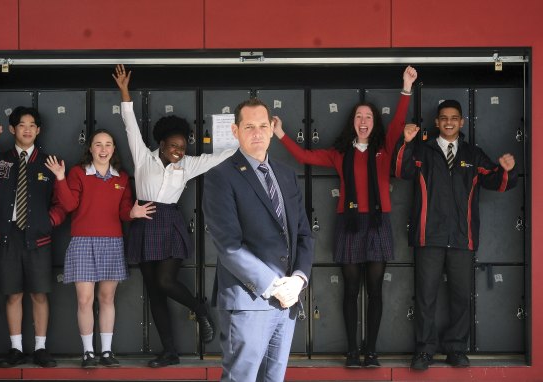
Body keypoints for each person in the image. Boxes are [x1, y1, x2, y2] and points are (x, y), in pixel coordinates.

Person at [272, 66, 418, 367]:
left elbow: (399, 123)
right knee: (351, 290)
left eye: (368, 117)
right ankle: (352, 350)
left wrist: (406, 88)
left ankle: (372, 351)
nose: (363, 121)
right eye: (358, 117)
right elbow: (305, 157)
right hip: (349, 225)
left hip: (378, 223)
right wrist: (281, 134)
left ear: (374, 122)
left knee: (375, 290)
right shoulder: (340, 154)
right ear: (352, 123)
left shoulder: (385, 148)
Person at [112, 64, 235, 368]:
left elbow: (219, 157)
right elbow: (130, 125)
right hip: (144, 221)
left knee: (167, 282)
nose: (180, 150)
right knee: (154, 292)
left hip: (170, 224)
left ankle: (200, 308)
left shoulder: (188, 165)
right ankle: (170, 351)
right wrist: (125, 91)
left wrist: (251, 137)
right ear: (162, 144)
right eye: (174, 146)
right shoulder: (143, 158)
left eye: (183, 146)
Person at [393, 99, 517, 371]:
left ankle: (456, 348)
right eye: (443, 118)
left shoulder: (473, 154)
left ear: (462, 122)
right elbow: (400, 171)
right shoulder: (422, 151)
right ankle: (424, 351)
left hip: (462, 237)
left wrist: (505, 170)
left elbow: (494, 180)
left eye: (454, 118)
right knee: (425, 296)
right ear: (436, 122)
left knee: (461, 296)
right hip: (429, 235)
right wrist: (406, 142)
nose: (449, 122)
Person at [203, 98, 314, 382]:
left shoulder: (286, 176)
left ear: (271, 128)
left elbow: (303, 234)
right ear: (235, 130)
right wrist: (273, 285)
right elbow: (228, 245)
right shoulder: (220, 177)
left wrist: (298, 280)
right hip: (248, 301)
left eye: (263, 126)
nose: (257, 133)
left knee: (273, 379)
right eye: (249, 126)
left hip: (286, 300)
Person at [44, 129, 154, 368]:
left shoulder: (121, 178)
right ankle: (88, 353)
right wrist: (61, 178)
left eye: (108, 145)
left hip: (112, 243)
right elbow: (70, 204)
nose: (103, 149)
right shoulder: (77, 173)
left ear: (114, 149)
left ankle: (106, 352)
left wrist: (133, 213)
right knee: (84, 300)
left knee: (107, 298)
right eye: (98, 145)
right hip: (83, 242)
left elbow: (124, 212)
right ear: (90, 148)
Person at [0, 106, 67, 368]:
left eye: (32, 125)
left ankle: (40, 348)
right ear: (12, 129)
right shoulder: (1, 159)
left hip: (38, 237)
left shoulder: (49, 162)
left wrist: (49, 221)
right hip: (7, 236)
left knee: (39, 294)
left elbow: (62, 203)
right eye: (21, 125)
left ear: (38, 130)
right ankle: (15, 348)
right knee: (12, 294)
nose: (27, 129)